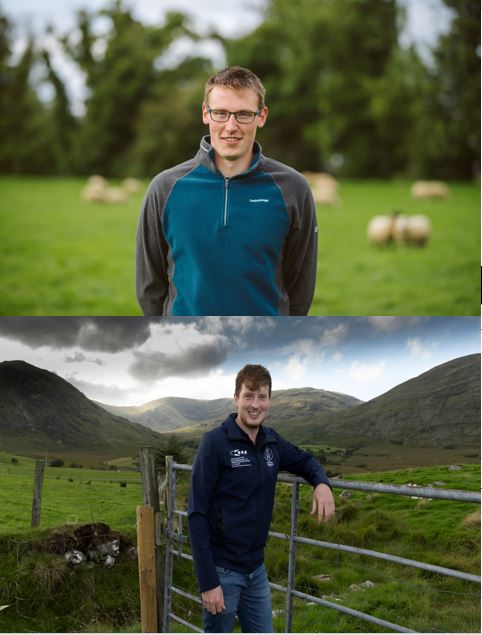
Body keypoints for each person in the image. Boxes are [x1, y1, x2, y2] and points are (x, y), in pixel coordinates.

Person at [136, 66, 318, 316]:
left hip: (264, 348)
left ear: (261, 116)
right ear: (205, 113)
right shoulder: (165, 188)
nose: (231, 126)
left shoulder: (293, 189)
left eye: (243, 114)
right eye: (220, 113)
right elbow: (149, 290)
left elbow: (301, 290)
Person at [187, 364, 335, 633]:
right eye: (249, 396)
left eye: (262, 397)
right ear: (236, 398)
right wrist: (208, 582)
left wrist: (322, 483)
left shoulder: (271, 442)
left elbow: (304, 460)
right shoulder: (215, 443)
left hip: (256, 571)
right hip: (223, 571)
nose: (255, 405)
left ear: (269, 401)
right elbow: (196, 513)